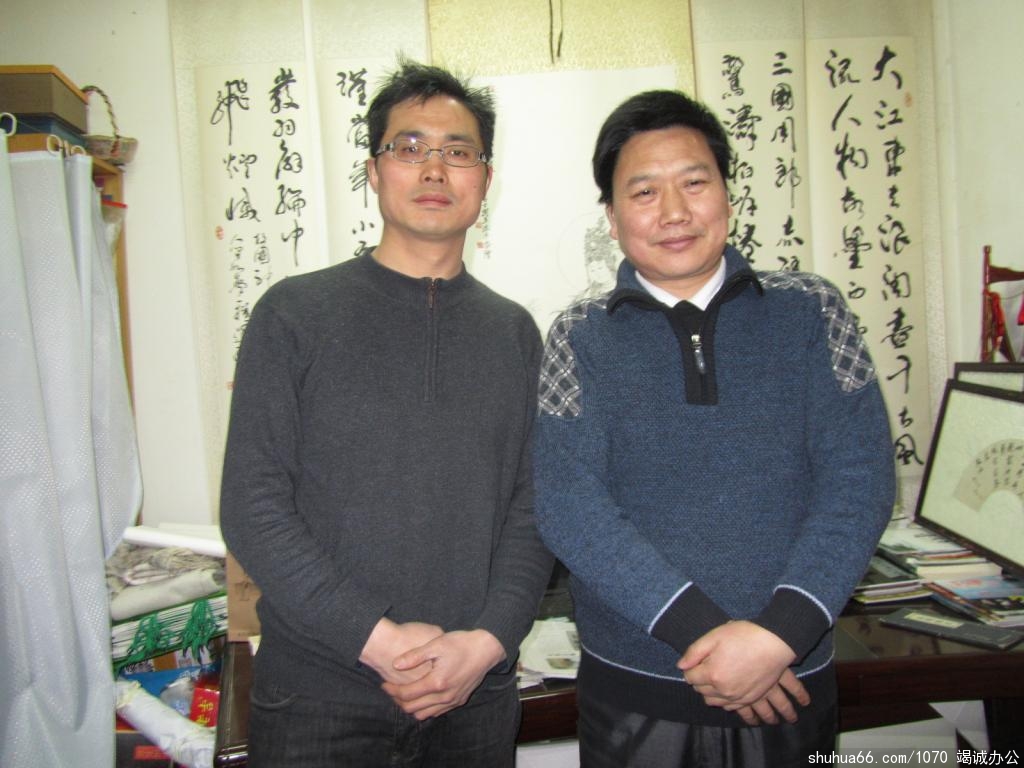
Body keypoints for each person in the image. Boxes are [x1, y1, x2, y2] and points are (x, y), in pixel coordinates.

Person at [533, 89, 896, 767]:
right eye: (644, 192)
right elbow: (568, 505)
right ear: (612, 217)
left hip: (789, 681)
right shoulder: (579, 335)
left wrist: (778, 636)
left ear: (728, 194)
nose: (674, 211)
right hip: (637, 691)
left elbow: (861, 480)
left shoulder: (812, 311)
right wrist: (707, 636)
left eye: (694, 183)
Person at [219, 59, 553, 768]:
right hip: (318, 698)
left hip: (473, 696)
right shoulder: (294, 314)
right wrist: (378, 640)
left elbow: (534, 509)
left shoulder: (515, 333)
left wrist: (487, 643)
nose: (434, 169)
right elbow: (252, 505)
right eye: (410, 147)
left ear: (484, 179)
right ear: (374, 172)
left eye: (457, 151)